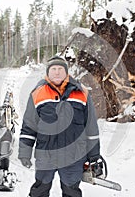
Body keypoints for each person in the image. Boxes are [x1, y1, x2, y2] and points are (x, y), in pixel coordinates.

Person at [18, 55, 100, 197]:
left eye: (60, 69)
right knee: (39, 190)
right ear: (48, 72)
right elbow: (29, 126)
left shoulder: (82, 93)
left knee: (72, 192)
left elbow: (91, 127)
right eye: (53, 69)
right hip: (46, 154)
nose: (57, 72)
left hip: (74, 155)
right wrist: (25, 152)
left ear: (66, 72)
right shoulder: (38, 93)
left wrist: (94, 155)